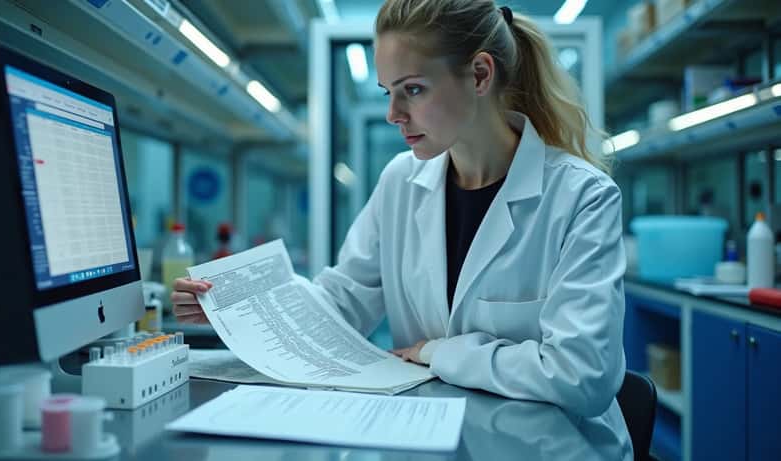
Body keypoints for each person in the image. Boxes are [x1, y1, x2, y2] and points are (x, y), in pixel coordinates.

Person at [172, 0, 630, 454]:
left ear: (479, 75)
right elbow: (342, 301)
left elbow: (581, 375)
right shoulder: (400, 180)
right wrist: (244, 306)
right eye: (387, 90)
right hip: (428, 437)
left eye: (412, 90)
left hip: (552, 448)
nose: (393, 113)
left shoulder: (581, 196)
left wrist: (438, 352)